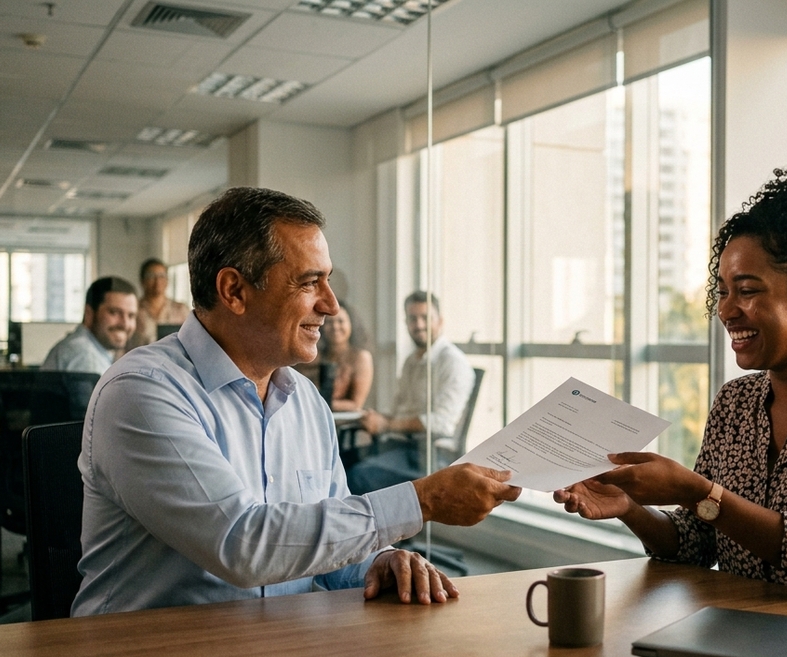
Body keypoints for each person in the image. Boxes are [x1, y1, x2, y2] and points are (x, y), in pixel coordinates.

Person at [72, 186, 519, 616]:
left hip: (276, 652)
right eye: (310, 282)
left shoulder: (305, 400)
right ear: (234, 291)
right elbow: (242, 545)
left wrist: (376, 560)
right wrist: (421, 500)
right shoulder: (141, 391)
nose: (331, 305)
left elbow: (323, 539)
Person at [554, 165, 787, 610]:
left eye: (747, 291)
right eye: (723, 292)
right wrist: (631, 508)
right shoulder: (736, 402)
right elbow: (698, 543)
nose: (727, 310)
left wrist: (697, 491)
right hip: (747, 630)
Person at [346, 291, 475, 495]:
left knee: (356, 477)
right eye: (412, 319)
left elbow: (442, 424)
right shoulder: (411, 362)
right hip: (401, 448)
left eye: (425, 318)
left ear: (440, 321)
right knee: (342, 462)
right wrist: (377, 418)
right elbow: (399, 412)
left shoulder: (453, 362)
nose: (419, 325)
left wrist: (386, 424)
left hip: (432, 456)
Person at [41, 276, 138, 374]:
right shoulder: (83, 354)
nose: (125, 324)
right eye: (114, 312)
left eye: (131, 316)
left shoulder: (92, 350)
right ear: (89, 314)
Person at [314, 298, 373, 412]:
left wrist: (314, 402)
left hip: (346, 424)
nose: (335, 327)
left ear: (351, 324)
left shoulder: (361, 357)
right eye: (329, 322)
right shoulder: (316, 356)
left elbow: (356, 404)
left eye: (341, 321)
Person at [127, 258, 190, 350]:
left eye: (161, 275)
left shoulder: (180, 309)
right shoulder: (133, 309)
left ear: (167, 280)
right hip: (139, 361)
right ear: (142, 281)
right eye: (151, 276)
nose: (157, 280)